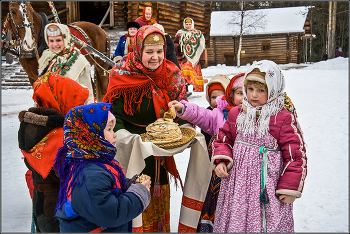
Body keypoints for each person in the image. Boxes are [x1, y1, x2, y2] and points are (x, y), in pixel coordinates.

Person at [103, 25, 188, 232]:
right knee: (134, 194)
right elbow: (115, 116)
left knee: (159, 195)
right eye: (149, 52)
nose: (155, 57)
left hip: (161, 149)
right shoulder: (122, 74)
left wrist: (182, 126)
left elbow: (181, 107)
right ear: (138, 50)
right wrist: (125, 138)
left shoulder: (172, 73)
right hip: (132, 150)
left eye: (159, 51)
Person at [212, 60, 307, 232]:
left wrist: (290, 187)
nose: (254, 95)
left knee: (265, 224)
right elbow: (223, 139)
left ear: (273, 90)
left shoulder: (282, 118)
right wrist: (221, 160)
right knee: (236, 222)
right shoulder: (237, 113)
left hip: (266, 188)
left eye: (261, 90)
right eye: (250, 89)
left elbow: (295, 155)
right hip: (237, 188)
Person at [54, 102, 151, 232]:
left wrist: (130, 184)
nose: (115, 134)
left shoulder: (94, 163)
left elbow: (107, 188)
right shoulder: (88, 175)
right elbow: (111, 214)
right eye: (109, 129)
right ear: (91, 135)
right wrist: (138, 194)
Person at [168, 73, 244, 232]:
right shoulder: (219, 114)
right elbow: (201, 115)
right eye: (212, 97)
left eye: (220, 95)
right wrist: (183, 108)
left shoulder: (253, 115)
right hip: (219, 174)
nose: (216, 101)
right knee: (215, 205)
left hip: (242, 175)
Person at [18, 72, 90, 232]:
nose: (81, 108)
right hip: (57, 212)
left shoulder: (39, 130)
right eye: (77, 102)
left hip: (43, 206)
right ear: (61, 101)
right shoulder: (59, 138)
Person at [38, 23, 94, 104]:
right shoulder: (46, 58)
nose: (54, 44)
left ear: (66, 39)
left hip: (72, 111)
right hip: (49, 109)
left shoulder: (79, 61)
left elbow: (88, 94)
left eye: (58, 40)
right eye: (51, 41)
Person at [174, 17, 206, 92]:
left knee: (188, 68)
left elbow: (202, 47)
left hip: (194, 59)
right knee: (181, 71)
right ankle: (184, 86)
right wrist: (178, 46)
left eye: (189, 24)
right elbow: (175, 42)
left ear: (192, 24)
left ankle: (187, 86)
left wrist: (202, 59)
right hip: (182, 57)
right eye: (186, 24)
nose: (188, 26)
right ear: (184, 25)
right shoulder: (180, 33)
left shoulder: (198, 34)